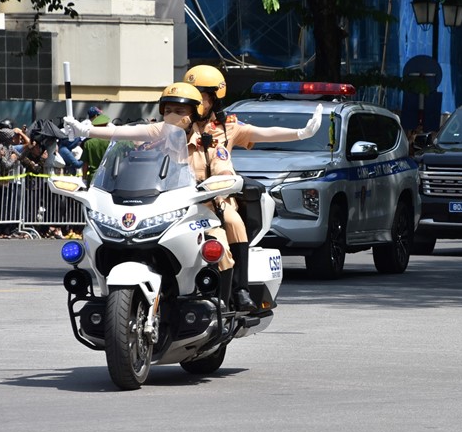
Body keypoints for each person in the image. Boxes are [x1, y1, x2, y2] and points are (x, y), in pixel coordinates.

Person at [65, 79, 323, 312]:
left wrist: (301, 133)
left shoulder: (213, 138)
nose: (172, 116)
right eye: (168, 110)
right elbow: (122, 134)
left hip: (208, 203)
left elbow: (249, 144)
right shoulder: (158, 133)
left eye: (180, 111)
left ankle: (233, 294)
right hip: (164, 204)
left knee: (228, 227)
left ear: (197, 111)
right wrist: (84, 131)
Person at [183, 65, 323, 311]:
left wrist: (301, 133)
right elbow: (145, 137)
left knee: (234, 223)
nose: (197, 103)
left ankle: (239, 290)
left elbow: (265, 133)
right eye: (193, 97)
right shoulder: (177, 126)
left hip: (215, 200)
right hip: (179, 198)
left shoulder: (227, 127)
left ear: (215, 98)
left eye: (202, 97)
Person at [81, 113, 110, 186]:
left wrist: (84, 178)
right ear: (105, 125)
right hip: (107, 178)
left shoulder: (88, 143)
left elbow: (85, 164)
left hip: (93, 177)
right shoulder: (111, 142)